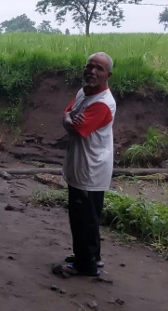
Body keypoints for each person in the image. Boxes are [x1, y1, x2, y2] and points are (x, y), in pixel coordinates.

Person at [60, 52, 116, 277]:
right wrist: (68, 118)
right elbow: (68, 114)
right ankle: (91, 256)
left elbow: (75, 129)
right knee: (87, 216)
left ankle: (86, 265)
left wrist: (69, 121)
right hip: (83, 164)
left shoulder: (102, 103)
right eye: (90, 66)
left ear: (107, 75)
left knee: (83, 217)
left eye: (99, 69)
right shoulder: (85, 92)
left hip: (90, 169)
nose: (92, 71)